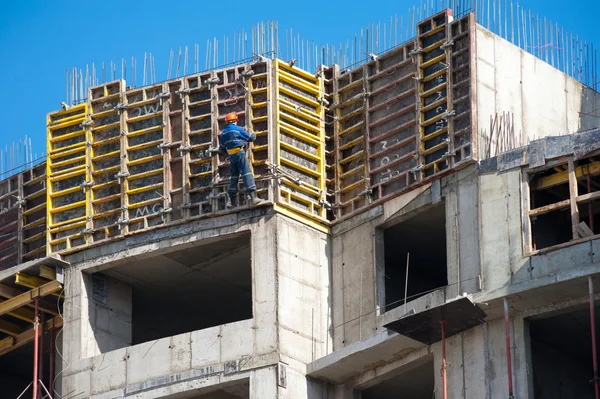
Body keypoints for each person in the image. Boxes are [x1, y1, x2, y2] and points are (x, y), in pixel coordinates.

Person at [211, 112, 265, 208]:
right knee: (246, 173)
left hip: (232, 156)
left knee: (234, 178)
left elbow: (222, 148)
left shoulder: (223, 133)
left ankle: (232, 202)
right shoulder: (238, 129)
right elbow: (249, 138)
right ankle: (254, 198)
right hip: (239, 154)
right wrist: (254, 135)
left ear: (227, 122)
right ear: (235, 121)